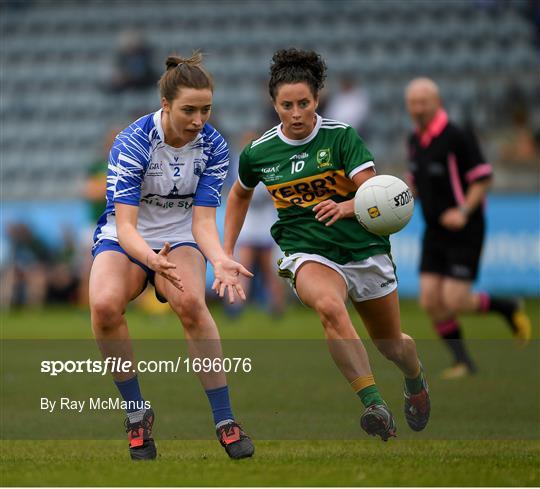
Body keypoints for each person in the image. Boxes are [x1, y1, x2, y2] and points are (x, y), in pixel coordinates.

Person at [224, 48, 430, 442]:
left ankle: (415, 379)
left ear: (317, 99)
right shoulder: (259, 152)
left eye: (304, 103)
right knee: (330, 308)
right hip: (307, 250)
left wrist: (348, 206)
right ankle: (373, 404)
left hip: (362, 250)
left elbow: (375, 194)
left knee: (391, 345)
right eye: (287, 105)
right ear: (274, 104)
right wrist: (225, 252)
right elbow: (238, 195)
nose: (296, 112)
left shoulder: (341, 138)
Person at [90, 53, 255, 460]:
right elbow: (126, 226)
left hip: (180, 233)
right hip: (127, 235)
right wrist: (150, 260)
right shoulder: (132, 142)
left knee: (192, 306)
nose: (199, 119)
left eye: (206, 109)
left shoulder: (214, 145)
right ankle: (136, 416)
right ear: (165, 105)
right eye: (189, 110)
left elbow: (202, 223)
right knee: (104, 306)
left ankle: (225, 421)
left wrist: (219, 258)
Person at [404, 77, 532, 379]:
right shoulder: (413, 140)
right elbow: (416, 182)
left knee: (455, 300)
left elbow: (483, 178)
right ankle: (463, 362)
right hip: (433, 230)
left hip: (465, 228)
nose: (418, 108)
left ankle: (507, 306)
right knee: (430, 300)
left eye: (424, 101)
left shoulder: (457, 136)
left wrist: (462, 211)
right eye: (413, 103)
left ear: (437, 102)